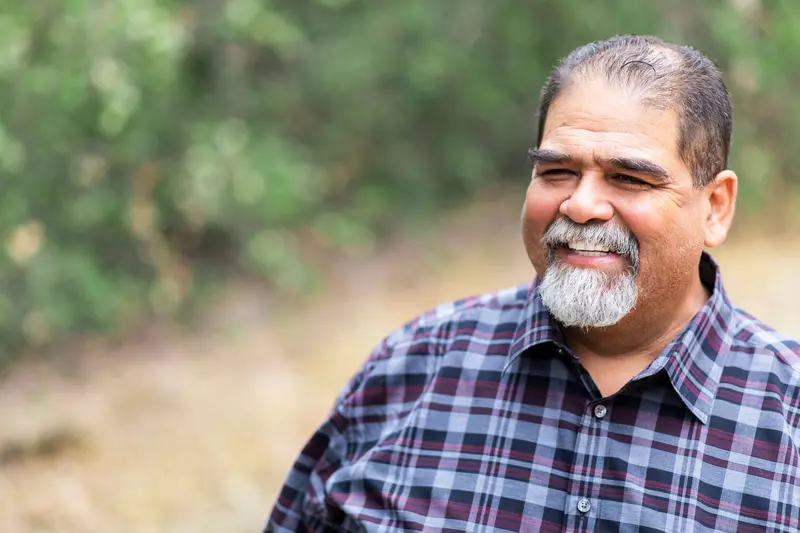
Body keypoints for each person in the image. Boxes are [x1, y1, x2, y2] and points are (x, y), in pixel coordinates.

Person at [265, 35, 800, 532]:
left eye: (630, 178)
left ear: (715, 207)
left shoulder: (788, 416)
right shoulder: (415, 366)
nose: (581, 204)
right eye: (556, 171)